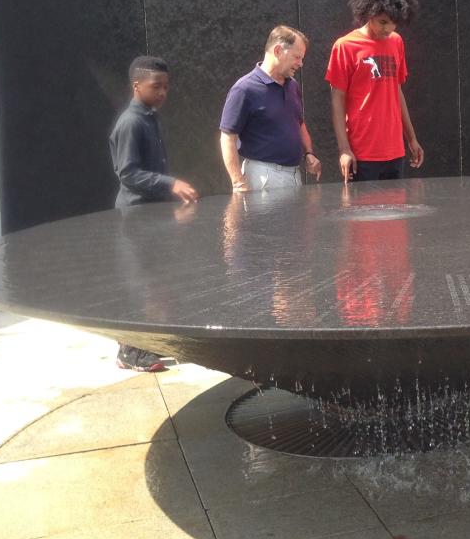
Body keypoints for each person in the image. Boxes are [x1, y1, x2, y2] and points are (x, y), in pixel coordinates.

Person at [108, 55, 199, 372]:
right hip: (136, 217)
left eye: (166, 86)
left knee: (155, 281)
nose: (162, 92)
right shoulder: (131, 123)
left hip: (152, 215)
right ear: (137, 86)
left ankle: (143, 346)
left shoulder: (150, 117)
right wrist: (170, 183)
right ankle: (130, 352)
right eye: (155, 86)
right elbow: (128, 174)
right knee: (142, 282)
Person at [325, 0, 424, 181]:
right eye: (383, 22)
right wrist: (344, 149)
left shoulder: (396, 42)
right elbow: (337, 100)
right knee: (363, 215)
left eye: (394, 23)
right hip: (362, 154)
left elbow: (396, 91)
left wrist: (412, 138)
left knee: (396, 215)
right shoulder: (345, 46)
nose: (388, 29)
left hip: (395, 152)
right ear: (368, 12)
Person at [220, 25, 322, 192]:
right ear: (277, 51)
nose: (301, 63)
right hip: (263, 178)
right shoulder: (244, 89)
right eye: (297, 57)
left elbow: (299, 123)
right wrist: (237, 181)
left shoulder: (293, 86)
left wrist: (309, 153)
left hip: (294, 176)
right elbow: (227, 138)